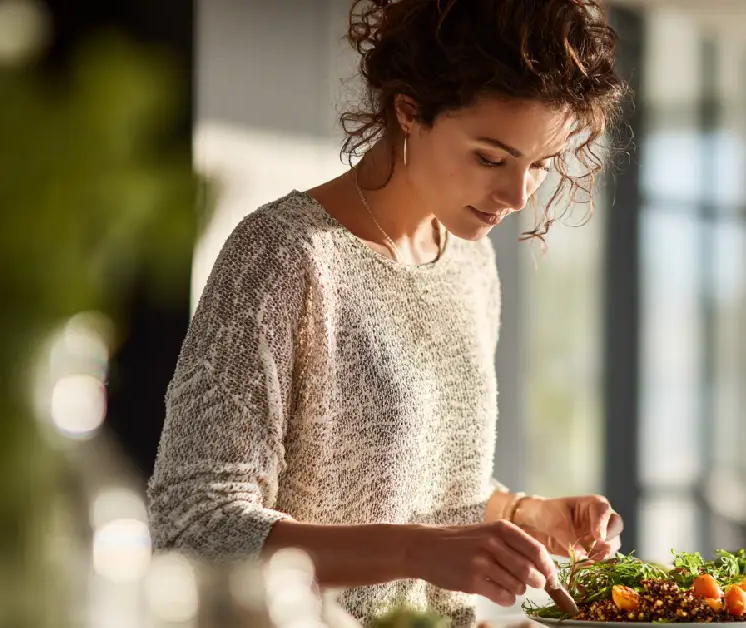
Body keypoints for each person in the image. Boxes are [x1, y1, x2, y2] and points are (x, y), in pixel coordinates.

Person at [146, 0, 627, 624]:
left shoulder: (469, 262)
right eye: (490, 157)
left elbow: (405, 484)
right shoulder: (283, 256)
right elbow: (195, 527)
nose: (516, 196)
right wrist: (413, 552)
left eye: (538, 165)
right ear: (409, 111)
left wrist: (521, 513)